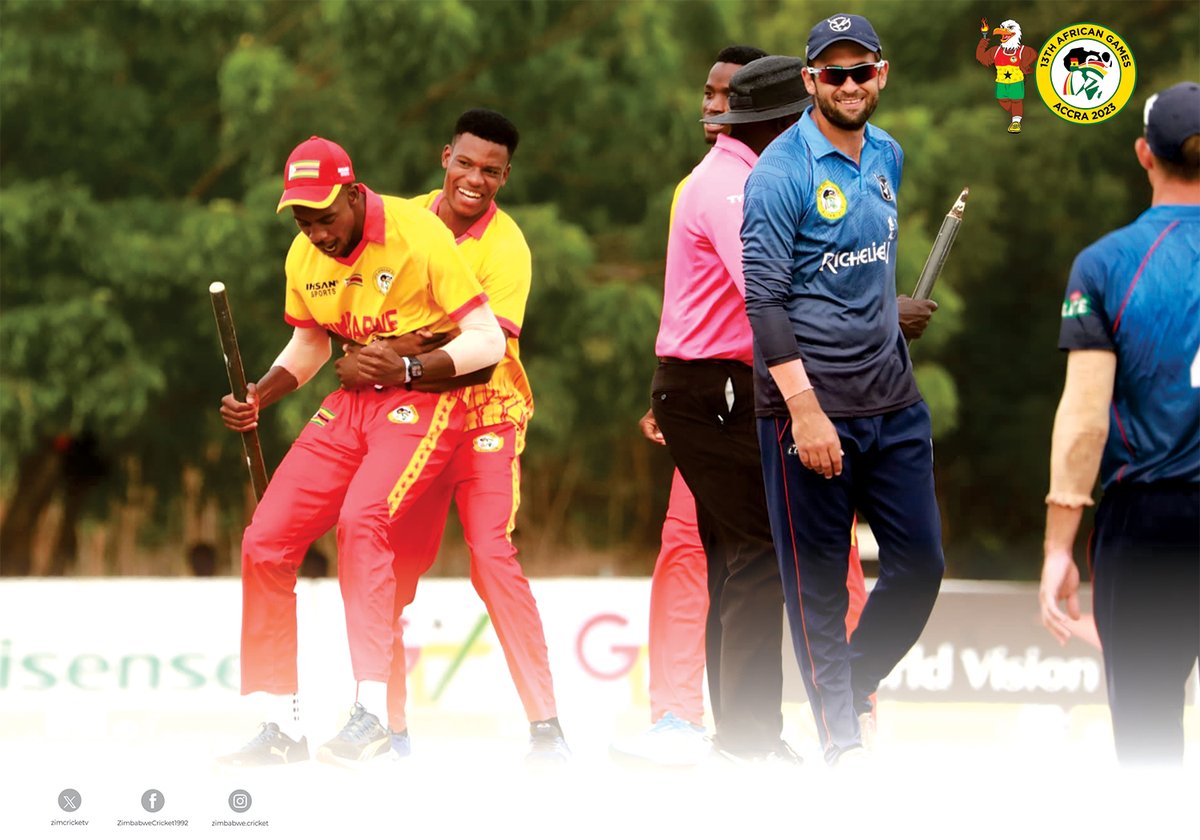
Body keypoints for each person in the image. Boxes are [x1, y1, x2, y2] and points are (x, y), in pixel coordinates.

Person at [217, 135, 506, 768]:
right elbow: (311, 347)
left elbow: (487, 341)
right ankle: (279, 725)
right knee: (264, 540)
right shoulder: (302, 257)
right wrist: (259, 396)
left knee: (361, 521)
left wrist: (407, 366)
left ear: (354, 194)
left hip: (420, 402)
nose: (317, 232)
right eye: (302, 219)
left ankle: (370, 714)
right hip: (348, 405)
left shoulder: (418, 233)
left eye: (326, 216)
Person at [741, 14, 945, 767]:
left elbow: (863, 272)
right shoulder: (780, 173)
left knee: (921, 567)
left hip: (893, 401)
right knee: (820, 588)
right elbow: (763, 303)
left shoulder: (888, 152)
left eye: (862, 71)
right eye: (834, 73)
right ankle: (843, 743)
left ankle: (847, 684)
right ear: (809, 81)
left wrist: (888, 318)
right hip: (809, 412)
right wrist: (804, 412)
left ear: (881, 75)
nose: (850, 85)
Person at [338, 109, 568, 762]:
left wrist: (398, 345)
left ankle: (547, 732)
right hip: (412, 422)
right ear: (446, 157)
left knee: (492, 558)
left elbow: (485, 346)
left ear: (505, 176)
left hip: (487, 421)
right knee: (388, 570)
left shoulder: (508, 246)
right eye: (465, 164)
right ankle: (390, 732)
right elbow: (359, 312)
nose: (475, 180)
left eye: (491, 171)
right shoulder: (401, 222)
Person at [1039, 81, 1199, 767]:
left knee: (1148, 736)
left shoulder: (1104, 264)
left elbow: (1084, 421)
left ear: (1144, 154)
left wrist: (1057, 546)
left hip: (1149, 524)